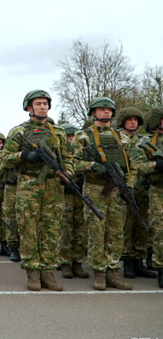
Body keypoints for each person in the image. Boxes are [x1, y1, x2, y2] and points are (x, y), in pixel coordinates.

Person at [1, 90, 73, 291]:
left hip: (53, 185)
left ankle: (48, 273)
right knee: (29, 229)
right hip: (29, 185)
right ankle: (32, 273)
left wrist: (69, 174)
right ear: (29, 108)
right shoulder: (19, 132)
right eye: (38, 103)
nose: (43, 107)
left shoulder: (57, 132)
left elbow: (68, 158)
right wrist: (23, 155)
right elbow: (4, 158)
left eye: (45, 103)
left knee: (51, 229)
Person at [71, 97, 135, 291]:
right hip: (95, 188)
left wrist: (129, 186)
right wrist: (93, 165)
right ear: (93, 112)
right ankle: (99, 272)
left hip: (118, 189)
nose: (106, 112)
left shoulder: (122, 137)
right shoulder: (82, 136)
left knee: (116, 232)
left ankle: (113, 272)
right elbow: (73, 163)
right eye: (102, 109)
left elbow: (133, 166)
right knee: (96, 231)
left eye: (109, 109)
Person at [116, 107, 156, 279]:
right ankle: (128, 262)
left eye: (136, 120)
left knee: (142, 225)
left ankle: (139, 260)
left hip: (143, 188)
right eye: (129, 119)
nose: (133, 122)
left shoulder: (144, 140)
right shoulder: (116, 138)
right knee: (127, 225)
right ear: (123, 121)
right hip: (124, 187)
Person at [131, 106, 163, 288]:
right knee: (159, 232)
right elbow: (137, 167)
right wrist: (156, 165)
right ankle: (160, 268)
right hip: (158, 190)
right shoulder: (145, 142)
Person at [57, 124, 89, 279]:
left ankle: (78, 262)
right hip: (64, 194)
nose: (71, 139)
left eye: (72, 136)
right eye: (68, 137)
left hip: (81, 193)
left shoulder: (83, 151)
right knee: (65, 229)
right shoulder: (60, 153)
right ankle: (64, 263)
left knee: (80, 229)